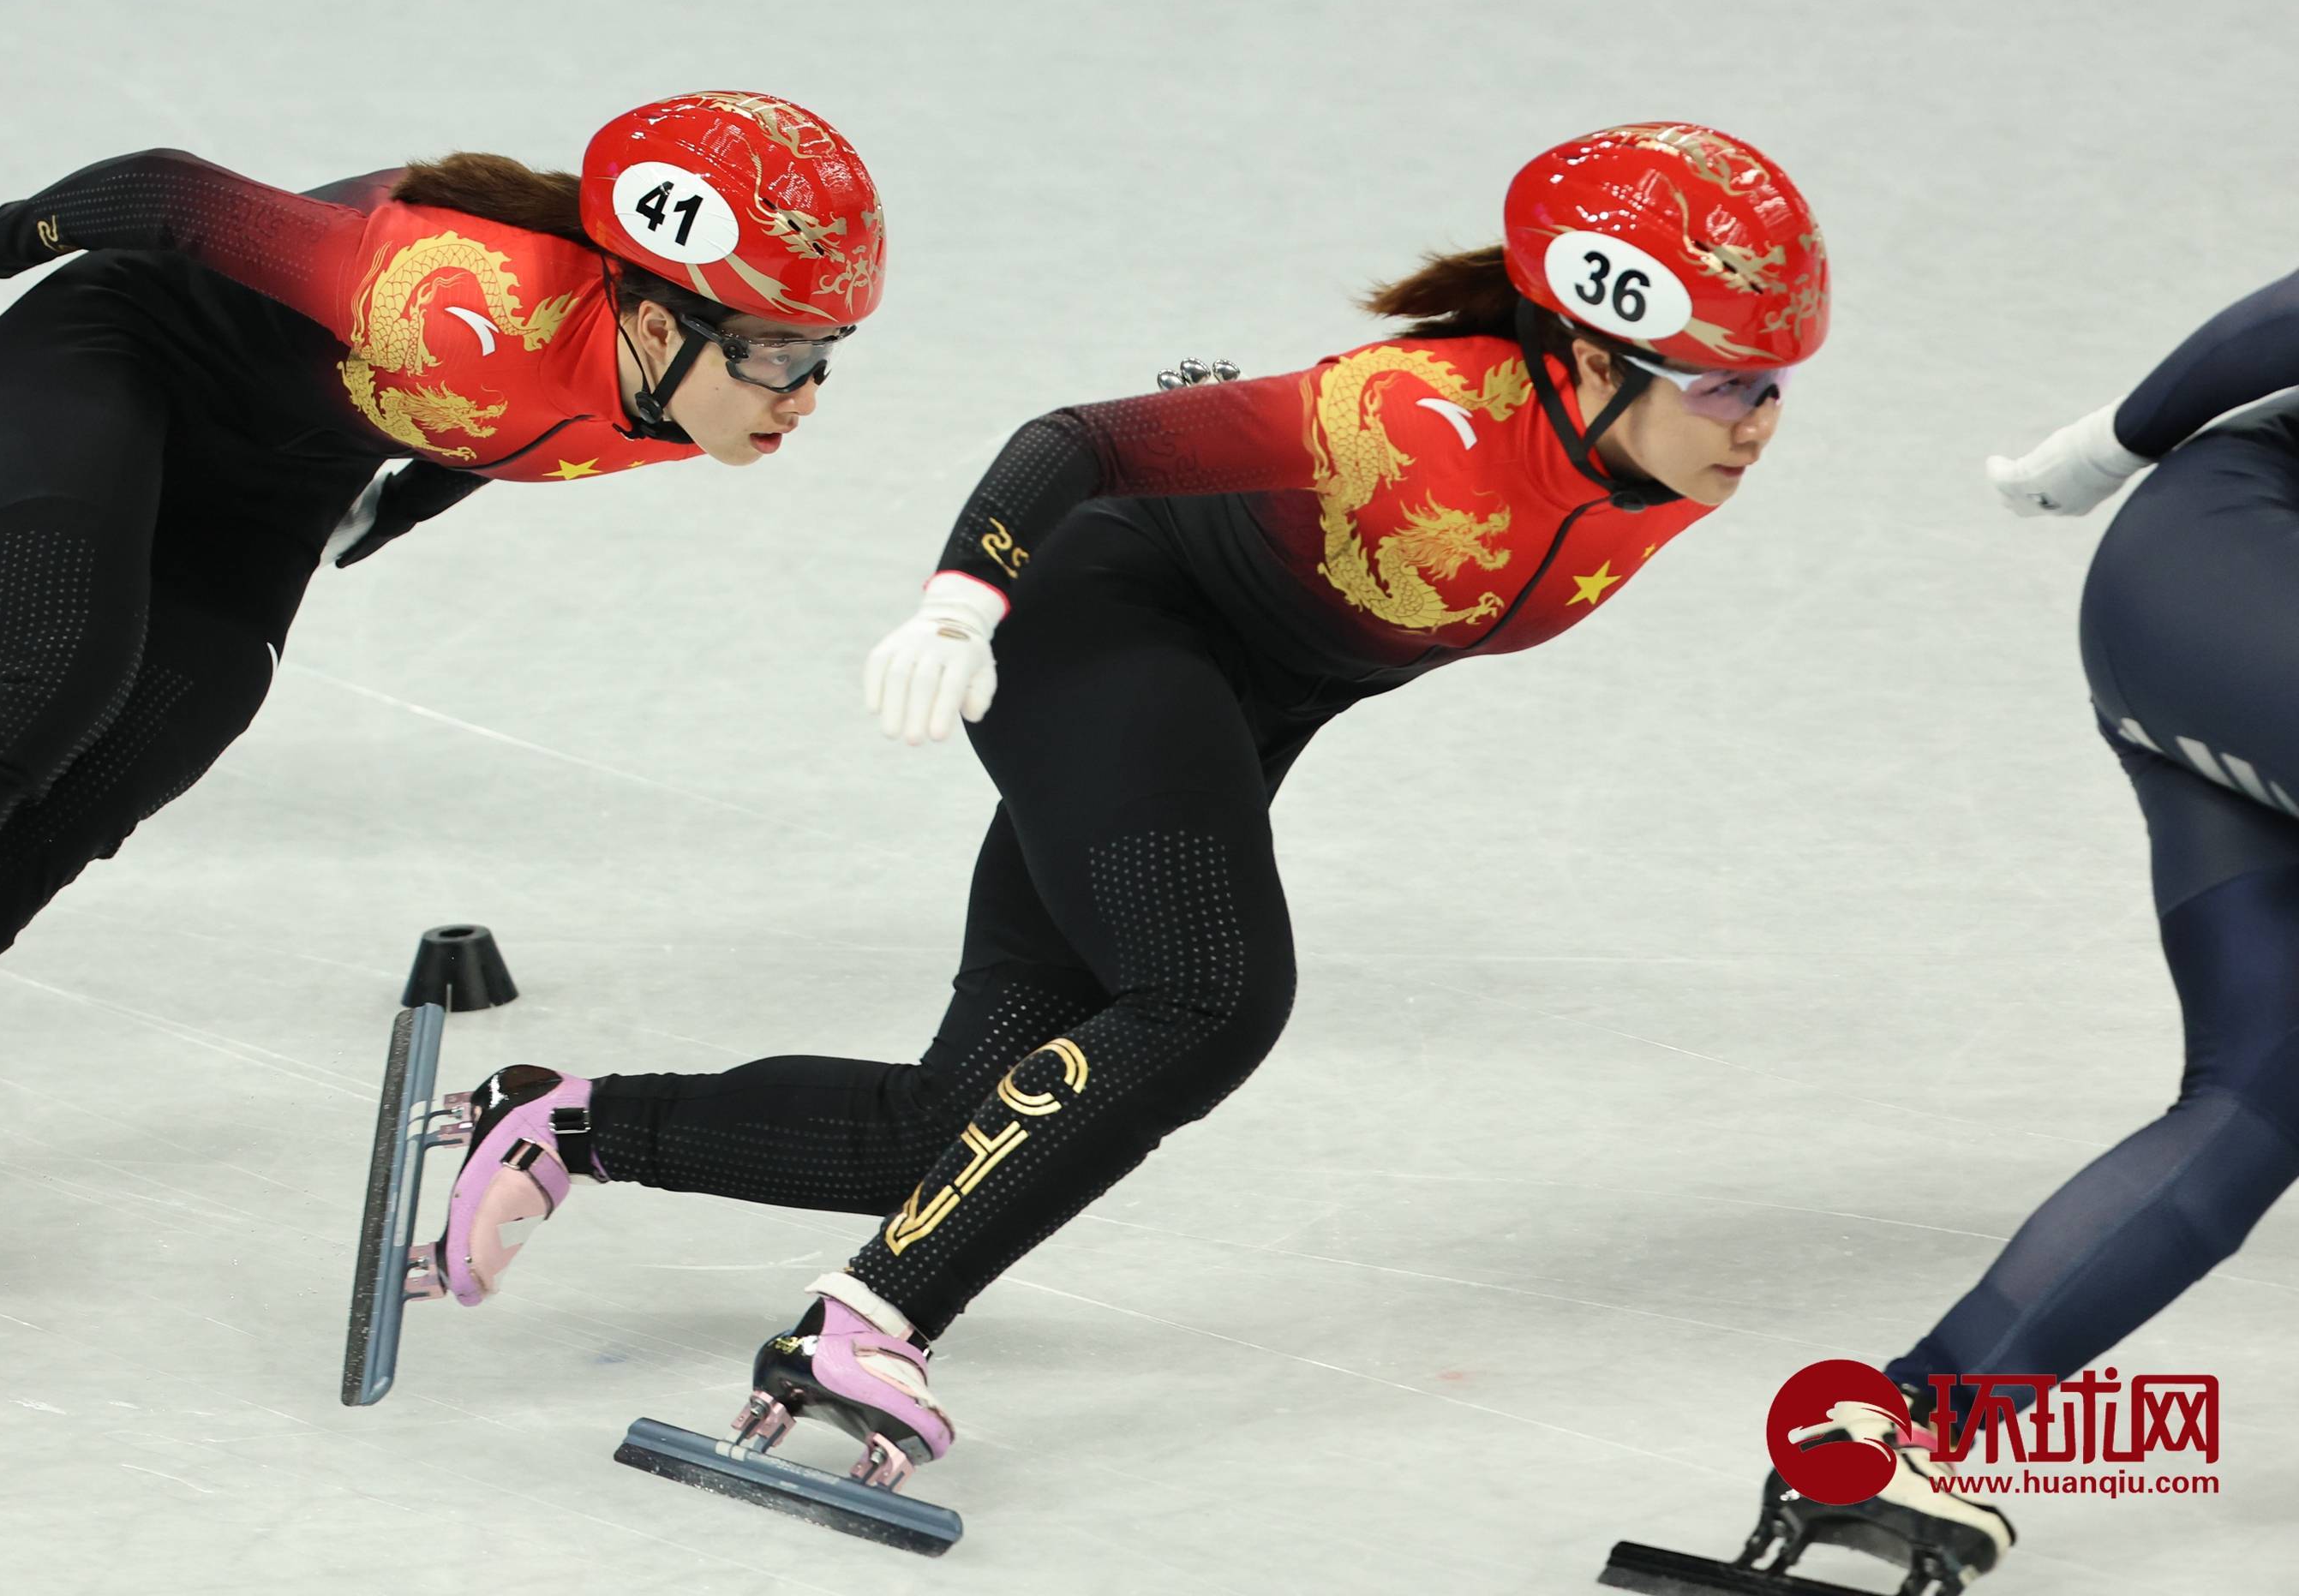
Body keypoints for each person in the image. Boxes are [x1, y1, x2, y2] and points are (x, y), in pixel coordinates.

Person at [417, 123, 1829, 1499]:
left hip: (1234, 706)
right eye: (1719, 385)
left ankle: (560, 1125)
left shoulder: (1663, 456)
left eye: (1773, 385)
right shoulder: (1420, 414)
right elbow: (1081, 438)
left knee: (950, 1132)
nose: (1756, 423)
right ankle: (862, 1329)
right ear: (1590, 354)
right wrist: (961, 607)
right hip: (1105, 629)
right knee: (1210, 994)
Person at [0, 93, 889, 1208]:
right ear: (657, 319)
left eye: (826, 356)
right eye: (780, 354)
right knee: (52, 683)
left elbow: (523, 429)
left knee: (130, 764)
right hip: (106, 365)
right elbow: (176, 194)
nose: (807, 397)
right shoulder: (446, 288)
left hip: (276, 477)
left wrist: (402, 498)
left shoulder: (684, 402)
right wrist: (2, 237)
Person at [1691, 270, 2299, 1593]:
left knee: (2265, 1088)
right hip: (2241, 565)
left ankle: (1896, 1436)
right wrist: (2101, 448)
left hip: (2188, 630)